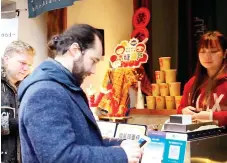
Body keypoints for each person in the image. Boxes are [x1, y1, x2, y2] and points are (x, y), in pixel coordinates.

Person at [18, 24, 143, 163]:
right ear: (75, 50)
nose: (94, 70)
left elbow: (85, 143)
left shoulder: (64, 87)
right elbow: (61, 158)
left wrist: (119, 145)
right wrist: (120, 155)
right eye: (93, 61)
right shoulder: (45, 92)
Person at [177, 31, 227, 126]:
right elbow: (180, 109)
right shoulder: (192, 82)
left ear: (225, 53)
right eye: (202, 51)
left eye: (213, 51)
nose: (207, 56)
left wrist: (211, 116)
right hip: (197, 136)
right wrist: (183, 111)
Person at [1, 40, 35, 163]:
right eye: (22, 63)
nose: (26, 69)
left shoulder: (28, 87)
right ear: (6, 59)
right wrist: (21, 122)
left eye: (29, 65)